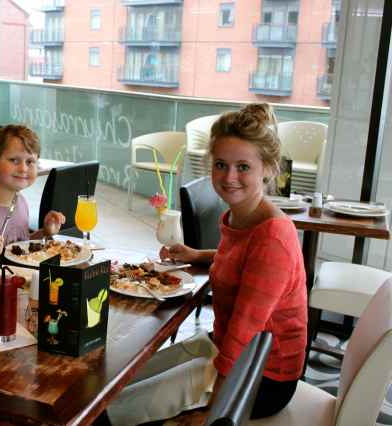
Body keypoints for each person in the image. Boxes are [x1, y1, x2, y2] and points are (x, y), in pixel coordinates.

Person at [107, 103, 308, 425]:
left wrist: (216, 412)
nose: (230, 177)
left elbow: (244, 332)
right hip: (222, 345)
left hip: (260, 376)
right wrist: (198, 255)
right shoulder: (240, 216)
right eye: (221, 165)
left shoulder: (273, 237)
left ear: (269, 169)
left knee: (112, 411)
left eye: (243, 167)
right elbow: (244, 260)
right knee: (112, 386)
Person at [0, 124, 65, 270]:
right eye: (14, 160)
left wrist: (44, 233)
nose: (23, 168)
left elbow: (20, 247)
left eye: (30, 162)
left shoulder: (21, 202)